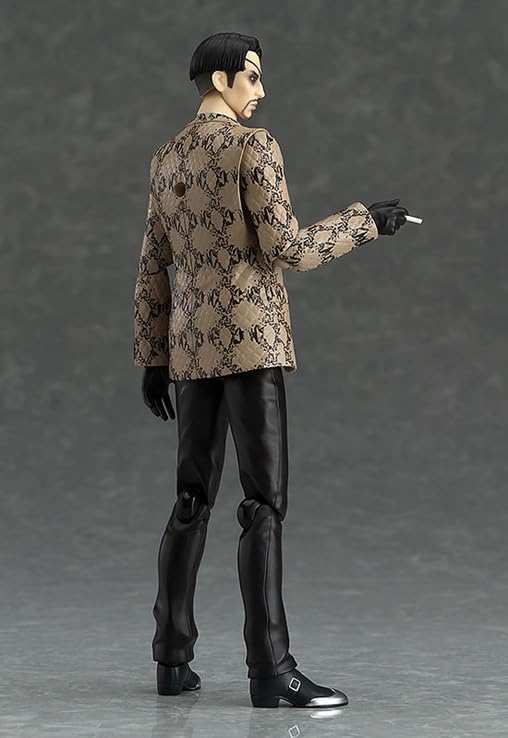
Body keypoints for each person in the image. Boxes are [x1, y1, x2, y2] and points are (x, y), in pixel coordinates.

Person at [133, 31, 408, 708]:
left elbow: (152, 266)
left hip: (190, 349)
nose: (261, 89)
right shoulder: (253, 147)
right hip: (251, 344)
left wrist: (153, 357)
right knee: (262, 505)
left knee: (190, 498)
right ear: (221, 78)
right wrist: (366, 222)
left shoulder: (166, 158)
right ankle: (271, 669)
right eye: (252, 76)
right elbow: (288, 249)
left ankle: (171, 658)